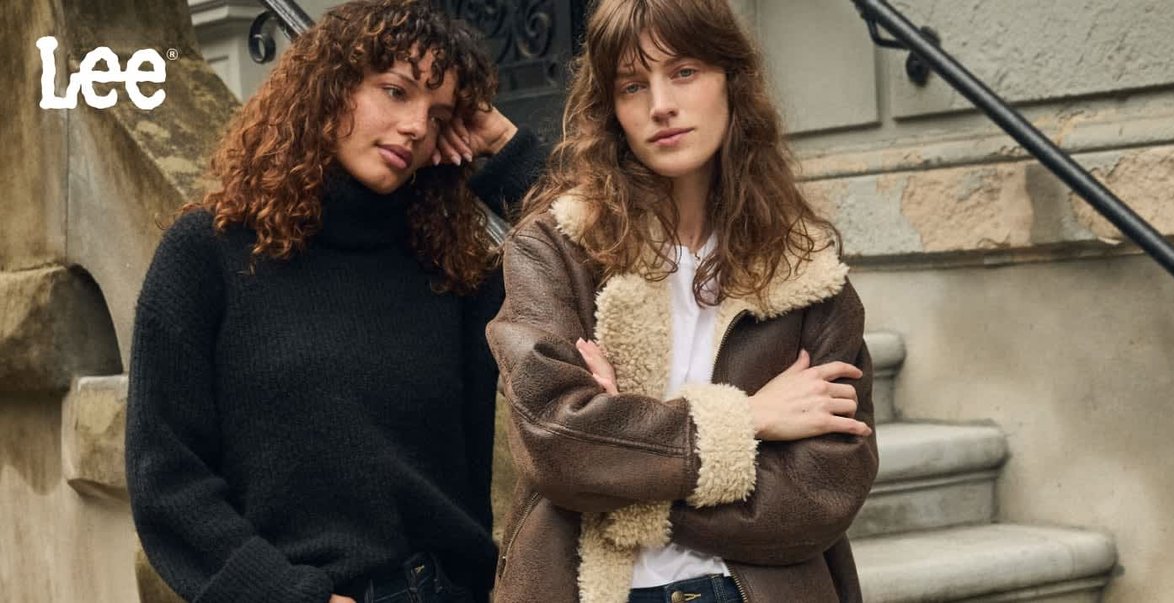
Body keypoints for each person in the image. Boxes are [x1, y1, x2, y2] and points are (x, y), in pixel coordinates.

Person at [124, 1, 545, 602]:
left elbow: (602, 272)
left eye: (439, 115)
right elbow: (166, 476)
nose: (415, 127)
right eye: (395, 92)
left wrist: (505, 149)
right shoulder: (208, 253)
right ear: (329, 86)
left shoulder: (455, 271)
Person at [485, 0, 879, 601]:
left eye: (684, 72)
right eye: (633, 85)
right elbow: (557, 442)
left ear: (732, 81)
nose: (660, 104)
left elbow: (823, 491)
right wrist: (749, 419)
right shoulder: (557, 250)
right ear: (612, 110)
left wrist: (625, 471)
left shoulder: (803, 271)